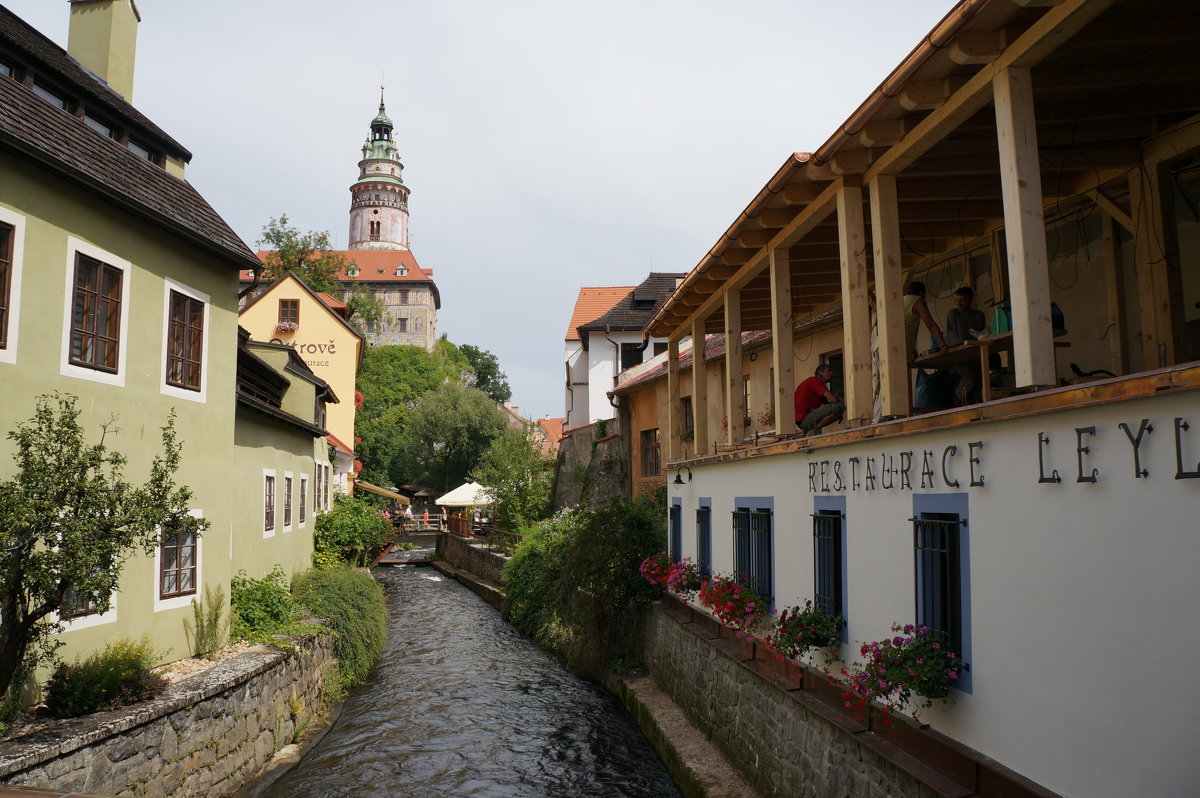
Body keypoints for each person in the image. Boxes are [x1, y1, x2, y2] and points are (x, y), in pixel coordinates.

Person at [945, 286, 987, 405]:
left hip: (975, 353)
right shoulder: (953, 314)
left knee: (981, 378)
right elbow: (950, 336)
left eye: (962, 300)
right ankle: (958, 399)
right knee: (970, 377)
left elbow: (981, 335)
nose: (959, 304)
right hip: (959, 354)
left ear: (970, 300)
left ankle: (978, 405)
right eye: (957, 300)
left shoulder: (979, 315)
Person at [794, 364, 845, 435]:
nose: (832, 373)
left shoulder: (816, 384)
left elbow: (828, 405)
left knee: (837, 409)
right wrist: (838, 404)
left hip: (803, 420)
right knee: (840, 405)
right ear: (821, 372)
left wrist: (839, 414)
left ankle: (811, 431)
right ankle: (815, 429)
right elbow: (834, 400)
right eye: (829, 371)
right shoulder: (815, 381)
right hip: (805, 419)